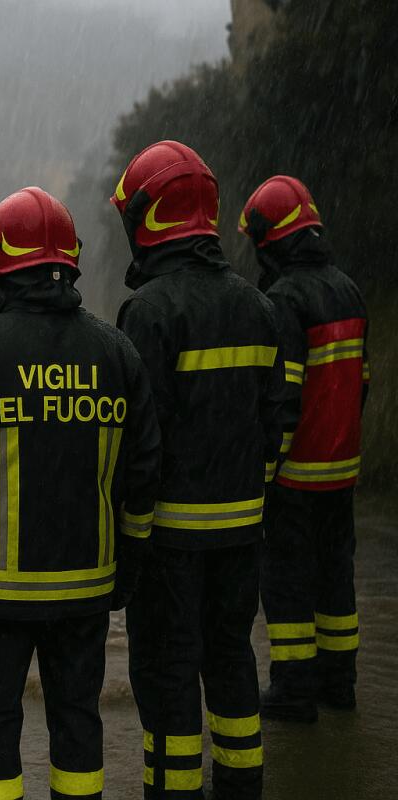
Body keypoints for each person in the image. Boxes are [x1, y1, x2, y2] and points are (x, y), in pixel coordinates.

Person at [0, 186, 160, 800]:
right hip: (84, 594)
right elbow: (143, 476)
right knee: (78, 730)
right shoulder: (117, 352)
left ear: (0, 261)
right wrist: (126, 570)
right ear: (70, 258)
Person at [111, 141, 288, 799]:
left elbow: (138, 449)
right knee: (233, 661)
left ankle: (174, 789)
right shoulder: (260, 308)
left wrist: (127, 545)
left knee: (166, 673)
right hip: (243, 538)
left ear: (147, 220)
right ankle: (242, 787)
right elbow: (277, 428)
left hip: (169, 545)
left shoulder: (148, 313)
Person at [239, 175, 369, 722]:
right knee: (336, 578)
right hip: (342, 472)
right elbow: (361, 383)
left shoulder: (284, 299)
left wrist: (267, 469)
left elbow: (283, 399)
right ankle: (339, 684)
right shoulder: (348, 289)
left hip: (295, 477)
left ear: (273, 237)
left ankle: (293, 690)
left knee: (286, 583)